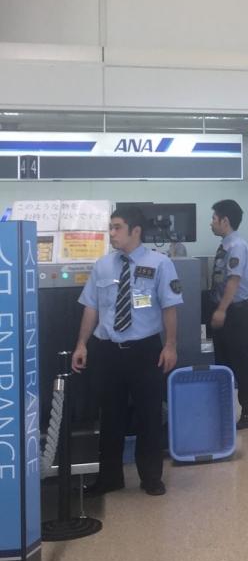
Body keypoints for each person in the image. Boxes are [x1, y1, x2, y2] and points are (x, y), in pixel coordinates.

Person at [71, 205, 181, 497]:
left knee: (149, 415)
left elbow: (170, 307)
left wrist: (170, 345)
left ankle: (151, 477)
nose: (112, 233)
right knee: (110, 416)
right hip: (107, 351)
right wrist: (82, 344)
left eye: (117, 227)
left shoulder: (160, 264)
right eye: (111, 227)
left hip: (145, 350)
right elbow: (91, 307)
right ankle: (110, 478)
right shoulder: (103, 265)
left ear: (136, 231)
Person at [209, 199, 248, 430]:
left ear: (225, 221)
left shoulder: (237, 246)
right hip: (225, 311)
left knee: (242, 365)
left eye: (214, 218)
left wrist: (221, 310)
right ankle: (224, 409)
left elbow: (234, 280)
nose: (211, 223)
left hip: (236, 314)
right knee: (223, 364)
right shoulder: (225, 245)